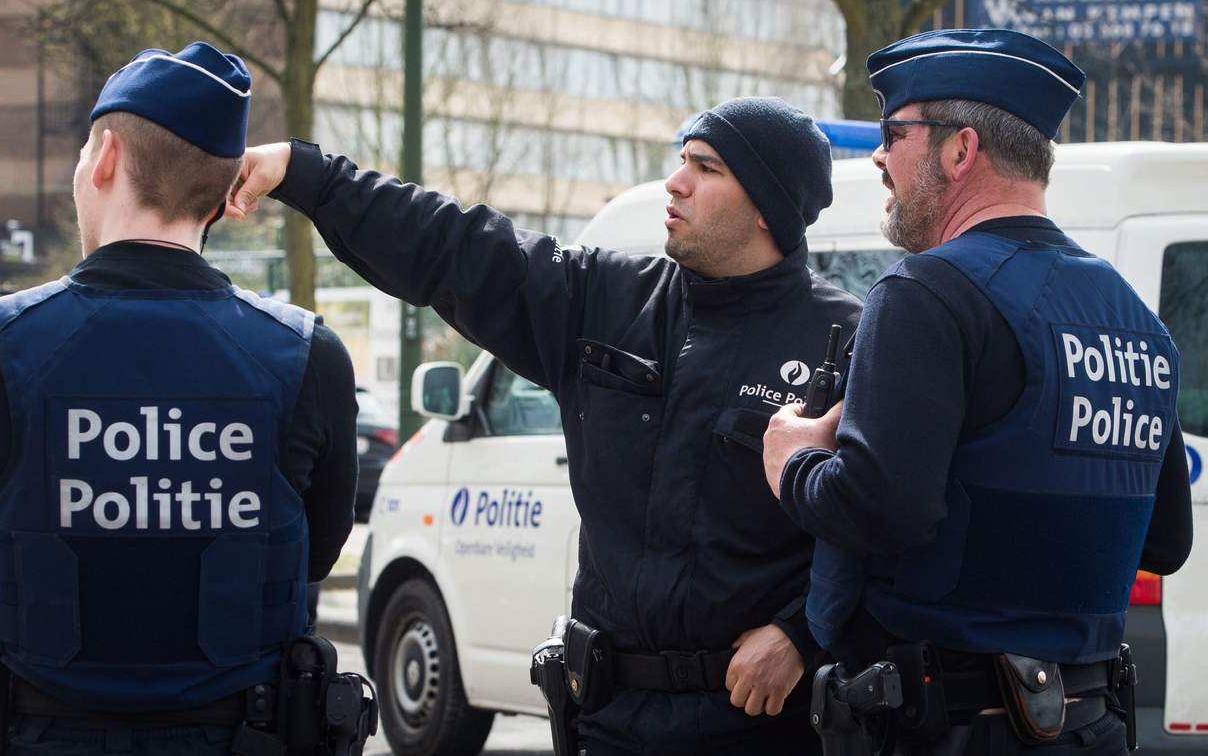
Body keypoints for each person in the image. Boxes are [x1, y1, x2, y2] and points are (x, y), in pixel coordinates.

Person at [228, 97, 862, 755]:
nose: (676, 182)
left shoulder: (849, 342)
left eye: (707, 168)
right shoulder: (605, 300)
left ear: (767, 206)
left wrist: (799, 634)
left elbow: (887, 525)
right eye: (683, 162)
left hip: (760, 722)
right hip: (607, 719)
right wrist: (302, 172)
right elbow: (450, 245)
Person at [763, 29, 1194, 754]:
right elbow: (1166, 541)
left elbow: (879, 509)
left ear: (960, 151)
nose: (878, 158)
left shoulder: (926, 291)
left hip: (949, 725)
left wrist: (793, 462)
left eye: (894, 135)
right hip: (1090, 725)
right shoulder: (1136, 320)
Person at [0, 42, 361, 754]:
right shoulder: (307, 354)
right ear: (224, 197)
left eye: (83, 155)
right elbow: (314, 553)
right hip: (247, 733)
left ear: (104, 158)